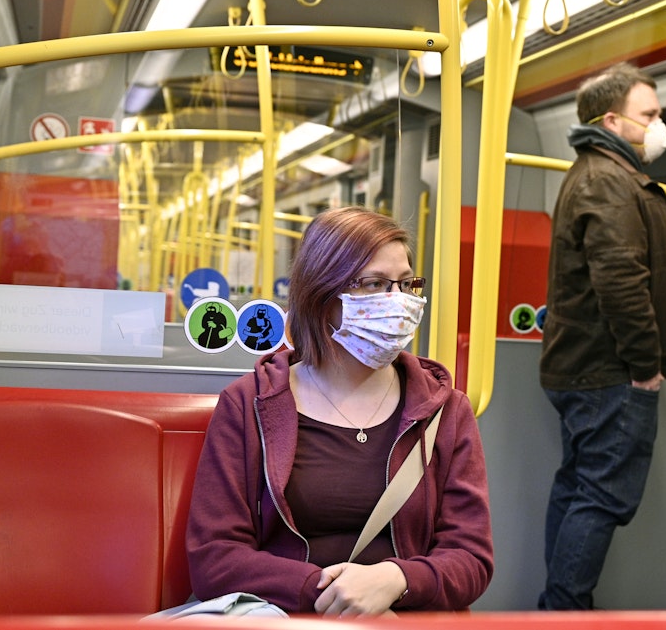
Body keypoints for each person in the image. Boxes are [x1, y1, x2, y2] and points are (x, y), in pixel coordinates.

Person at [186, 206, 493, 617]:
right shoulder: (249, 405)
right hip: (287, 619)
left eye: (406, 284)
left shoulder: (446, 411)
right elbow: (215, 557)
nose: (398, 302)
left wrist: (395, 581)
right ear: (323, 294)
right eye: (375, 284)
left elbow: (471, 558)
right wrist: (332, 595)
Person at [537, 63, 666, 610]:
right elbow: (621, 279)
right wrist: (645, 365)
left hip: (585, 366)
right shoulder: (608, 179)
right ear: (612, 120)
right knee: (602, 497)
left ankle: (558, 609)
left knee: (579, 489)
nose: (657, 125)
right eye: (649, 115)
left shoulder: (599, 173)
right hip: (607, 370)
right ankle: (563, 612)